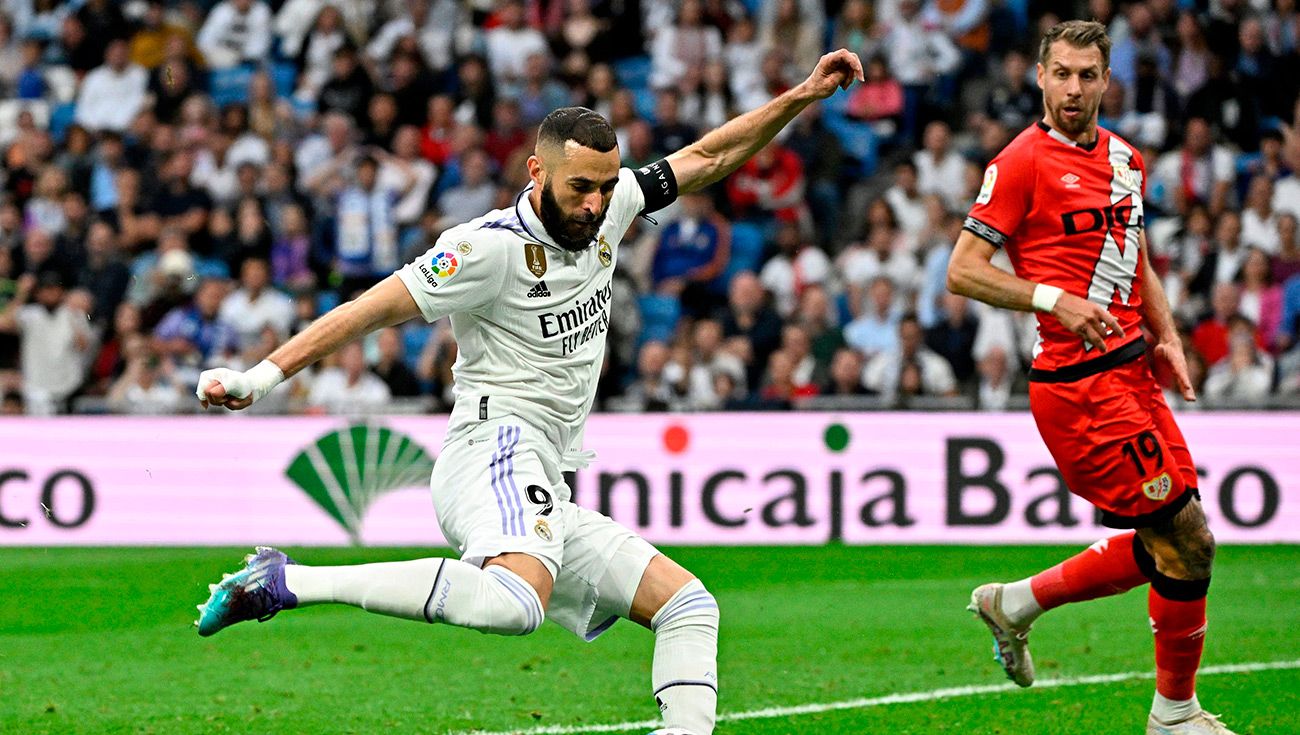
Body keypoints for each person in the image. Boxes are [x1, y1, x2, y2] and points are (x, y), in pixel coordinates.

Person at [192, 50, 865, 735]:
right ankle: (289, 580)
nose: (596, 203)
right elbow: (368, 310)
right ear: (536, 171)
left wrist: (802, 94)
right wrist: (260, 376)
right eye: (581, 187)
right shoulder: (485, 249)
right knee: (516, 603)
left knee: (689, 607)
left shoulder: (611, 206)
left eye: (607, 185)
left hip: (543, 468)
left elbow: (708, 156)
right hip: (494, 444)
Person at [946, 21, 1237, 735]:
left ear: (1107, 80)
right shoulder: (1020, 162)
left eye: (1087, 75)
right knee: (1186, 539)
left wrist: (1167, 334)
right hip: (1079, 389)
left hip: (1132, 373)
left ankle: (1016, 602)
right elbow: (963, 270)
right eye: (1062, 74)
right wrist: (1053, 299)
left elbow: (1136, 258)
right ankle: (1174, 715)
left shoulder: (1127, 159)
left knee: (1178, 541)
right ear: (1040, 77)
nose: (1073, 89)